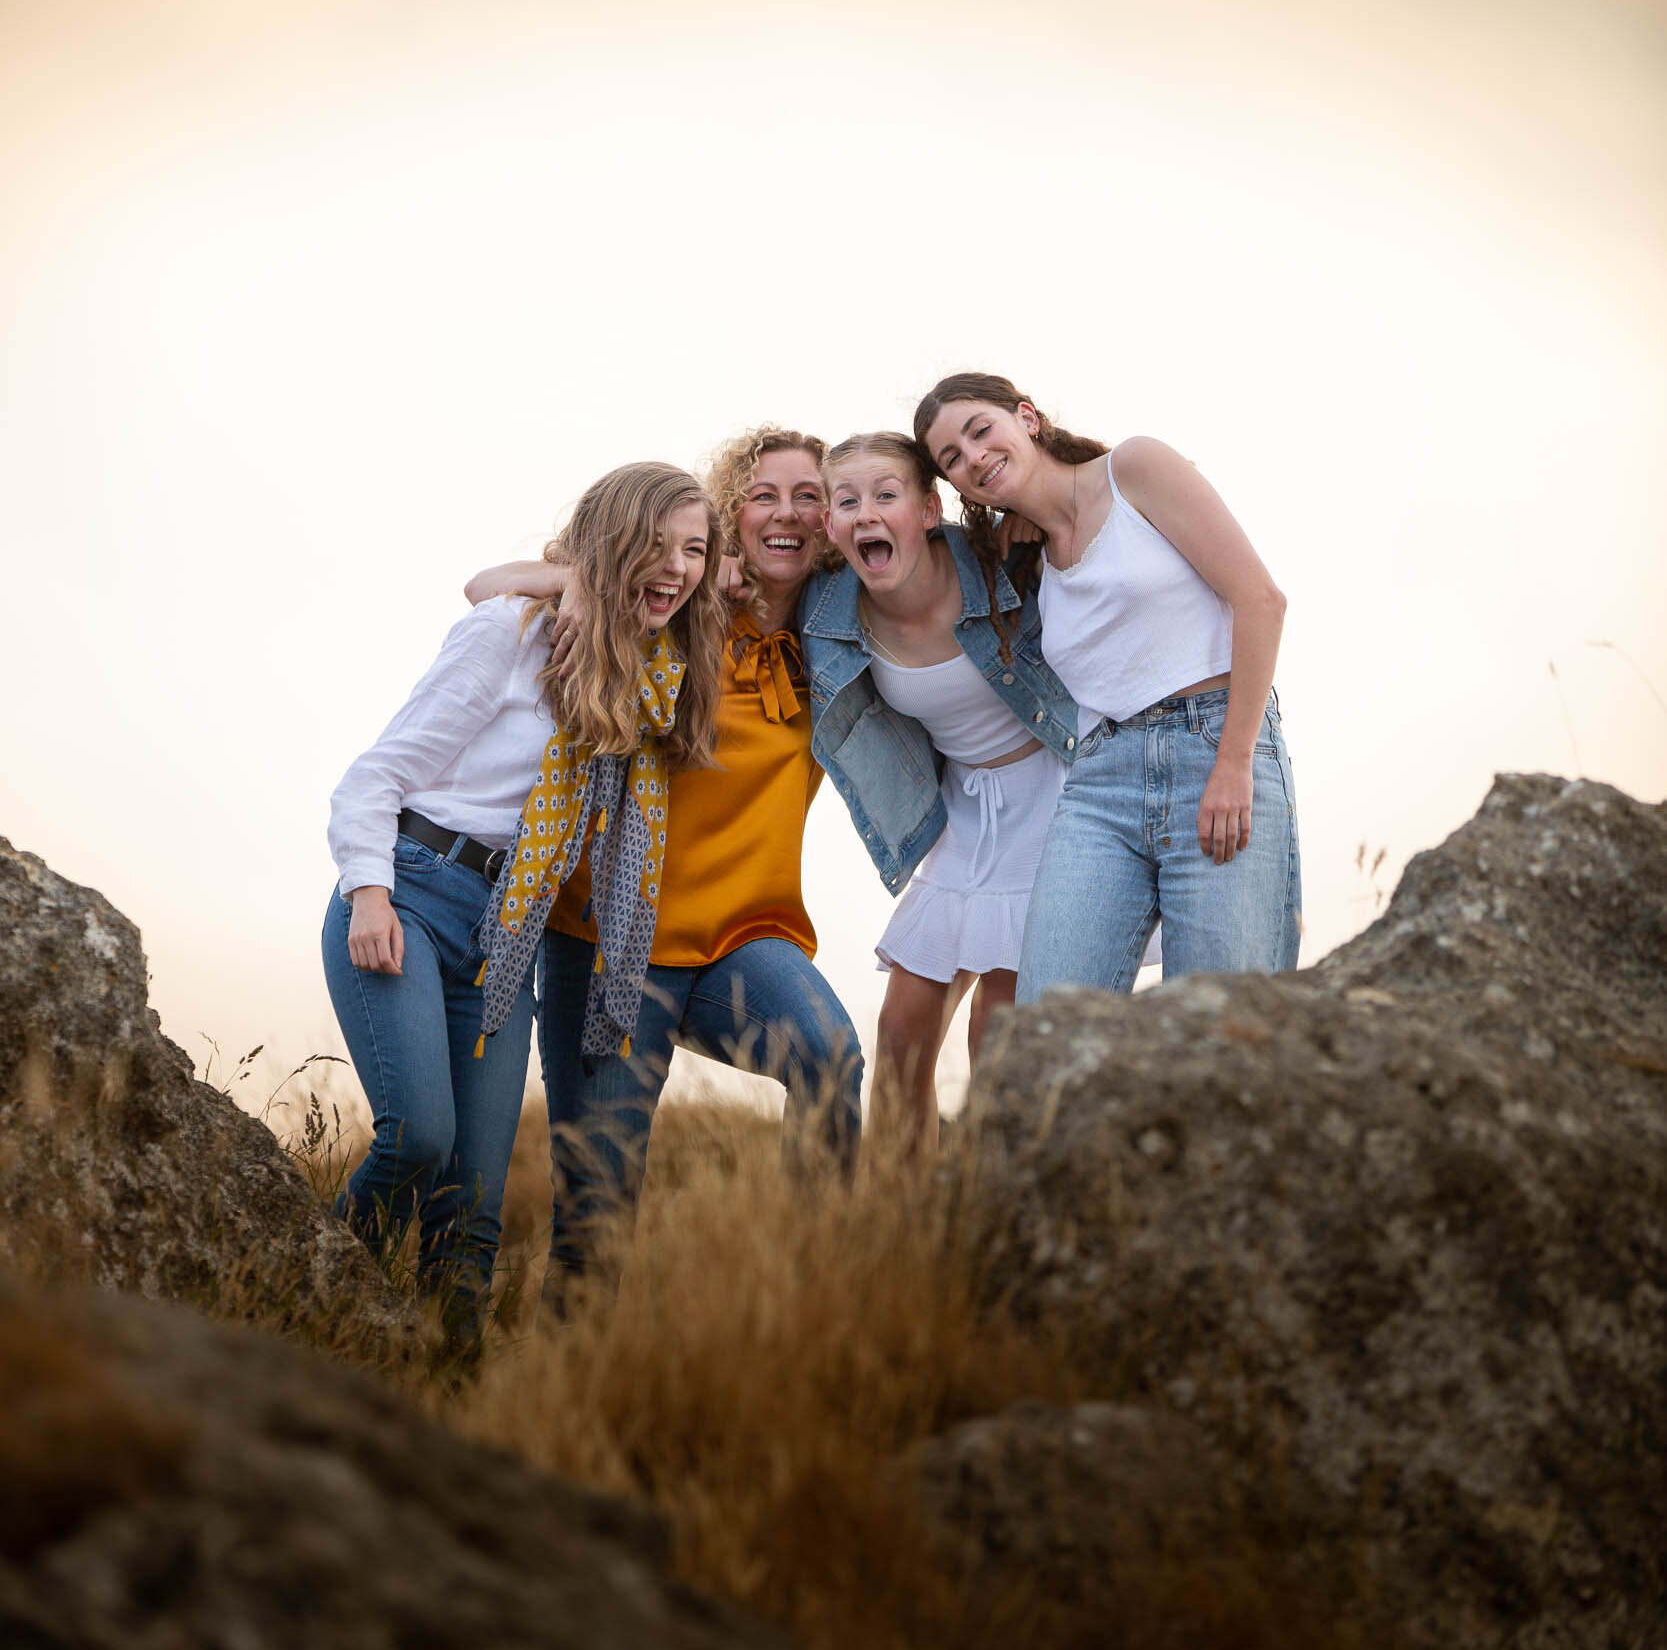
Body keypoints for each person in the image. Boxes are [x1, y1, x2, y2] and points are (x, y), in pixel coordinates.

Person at [324, 461, 722, 1335]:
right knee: (417, 1141)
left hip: (507, 934)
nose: (680, 566)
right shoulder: (509, 634)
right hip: (413, 898)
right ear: (611, 542)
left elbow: (761, 578)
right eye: (658, 544)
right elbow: (375, 777)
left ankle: (444, 1379)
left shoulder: (642, 677)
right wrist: (369, 896)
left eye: (695, 550)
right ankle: (308, 1295)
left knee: (472, 1208)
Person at [466, 427, 863, 1302]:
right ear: (729, 515)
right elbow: (488, 588)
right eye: (765, 495)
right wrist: (582, 582)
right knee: (598, 1210)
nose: (789, 512)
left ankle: (817, 1289)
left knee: (830, 1058)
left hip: (744, 942)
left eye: (810, 496)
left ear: (833, 521)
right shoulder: (672, 610)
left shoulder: (839, 646)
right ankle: (575, 1373)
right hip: (608, 939)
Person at [915, 373, 1300, 1001]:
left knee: (1219, 1025)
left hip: (1215, 747)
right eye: (951, 458)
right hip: (1098, 782)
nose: (974, 457)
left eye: (980, 430)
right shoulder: (1026, 552)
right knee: (1048, 1020)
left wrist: (1234, 763)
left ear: (1028, 418)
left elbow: (1261, 601)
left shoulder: (1135, 468)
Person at [802, 431, 1076, 1149]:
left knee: (999, 1026)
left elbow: (1090, 512)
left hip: (1053, 796)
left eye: (885, 495)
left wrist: (1037, 514)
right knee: (899, 1040)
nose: (866, 514)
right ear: (830, 525)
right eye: (846, 501)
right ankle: (906, 1217)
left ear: (926, 509)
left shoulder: (998, 564)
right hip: (961, 816)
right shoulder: (827, 613)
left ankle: (996, 1200)